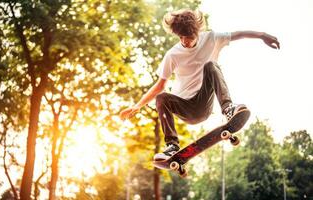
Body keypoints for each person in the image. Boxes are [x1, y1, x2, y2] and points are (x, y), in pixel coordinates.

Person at [119, 8, 280, 161]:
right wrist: (137, 106)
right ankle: (172, 146)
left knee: (211, 66)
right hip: (184, 107)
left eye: (188, 37)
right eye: (181, 37)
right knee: (162, 97)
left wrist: (263, 35)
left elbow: (239, 34)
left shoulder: (211, 38)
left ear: (197, 32)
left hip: (204, 103)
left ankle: (228, 109)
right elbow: (160, 85)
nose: (185, 41)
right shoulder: (173, 55)